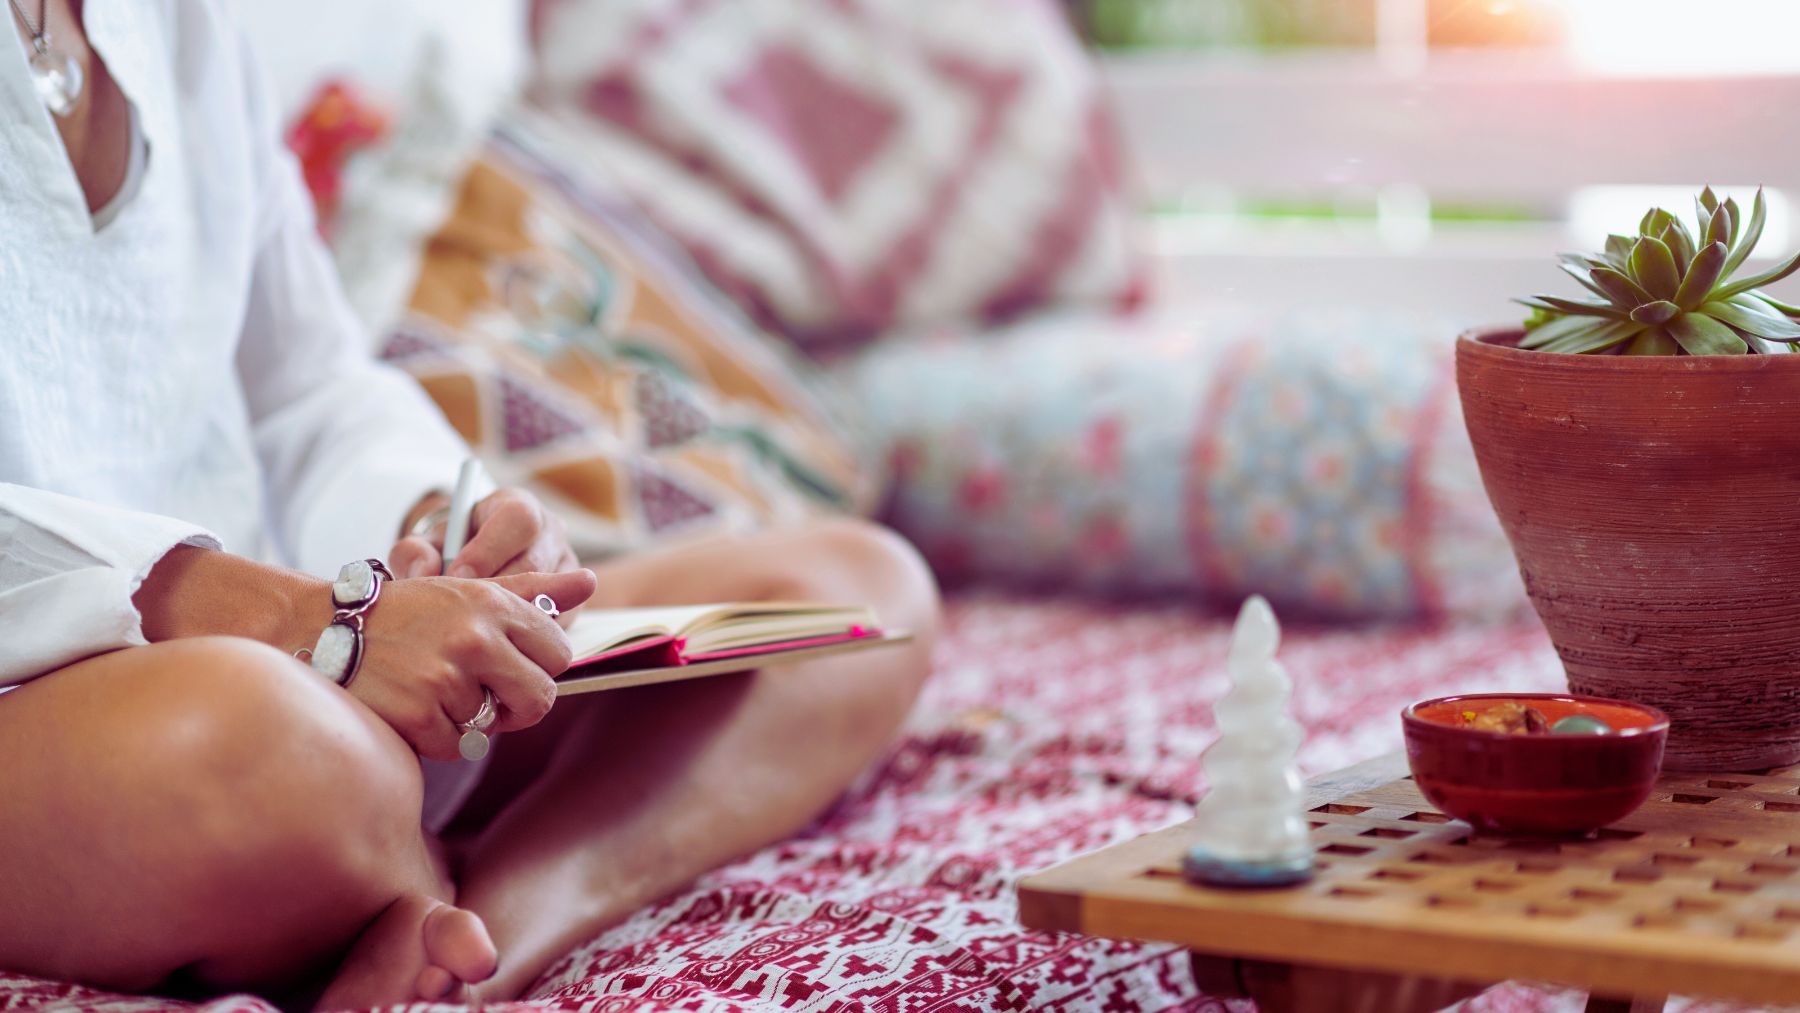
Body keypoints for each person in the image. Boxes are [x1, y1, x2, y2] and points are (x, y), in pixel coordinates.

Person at [0, 0, 940, 1006]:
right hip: (120, 709)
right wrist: (293, 618)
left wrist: (446, 540)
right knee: (281, 752)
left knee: (858, 592)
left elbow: (308, 388)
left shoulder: (177, 21)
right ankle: (396, 864)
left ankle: (484, 931)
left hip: (313, 662)